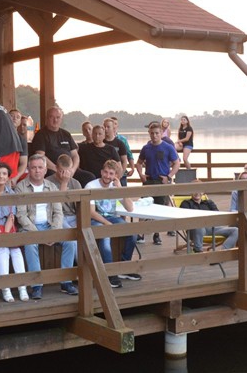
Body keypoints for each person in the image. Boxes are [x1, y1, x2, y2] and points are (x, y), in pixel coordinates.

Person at [15, 154, 78, 299]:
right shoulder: (21, 187)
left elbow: (58, 212)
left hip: (49, 225)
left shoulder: (52, 187)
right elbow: (21, 216)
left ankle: (66, 282)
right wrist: (39, 235)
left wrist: (54, 231)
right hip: (30, 227)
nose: (37, 171)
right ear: (29, 170)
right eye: (34, 168)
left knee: (70, 242)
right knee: (30, 245)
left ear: (45, 170)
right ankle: (37, 285)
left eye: (40, 167)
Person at [0, 162, 29, 303]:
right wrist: (1, 235)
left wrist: (6, 234)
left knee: (16, 251)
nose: (1, 176)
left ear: (8, 177)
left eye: (4, 174)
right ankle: (5, 289)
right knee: (3, 249)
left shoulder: (11, 193)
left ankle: (22, 288)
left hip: (8, 229)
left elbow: (11, 216)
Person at [85, 159, 136, 287]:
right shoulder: (91, 186)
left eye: (111, 174)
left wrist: (120, 189)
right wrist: (107, 224)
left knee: (133, 232)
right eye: (106, 172)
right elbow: (91, 213)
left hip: (111, 218)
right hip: (94, 219)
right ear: (101, 172)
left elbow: (130, 208)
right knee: (105, 234)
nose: (107, 176)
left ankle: (124, 268)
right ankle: (110, 274)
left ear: (115, 176)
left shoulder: (115, 186)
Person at [135, 121, 179, 246]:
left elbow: (177, 163)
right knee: (143, 207)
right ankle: (141, 234)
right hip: (149, 181)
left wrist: (169, 177)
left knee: (159, 209)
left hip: (161, 181)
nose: (154, 136)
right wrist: (141, 175)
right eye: (152, 133)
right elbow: (138, 163)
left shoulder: (168, 147)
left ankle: (157, 235)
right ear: (149, 133)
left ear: (161, 133)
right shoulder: (146, 148)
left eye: (157, 133)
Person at [30, 105, 95, 186]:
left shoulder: (66, 134)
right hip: (53, 170)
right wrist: (57, 169)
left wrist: (73, 169)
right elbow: (40, 156)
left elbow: (75, 155)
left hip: (70, 170)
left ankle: (82, 199)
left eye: (58, 117)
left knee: (90, 177)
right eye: (52, 117)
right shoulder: (41, 135)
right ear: (47, 118)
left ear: (61, 119)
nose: (55, 120)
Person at [179, 186, 238, 253]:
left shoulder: (208, 203)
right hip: (195, 230)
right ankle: (198, 251)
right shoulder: (186, 203)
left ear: (203, 192)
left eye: (199, 191)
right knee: (199, 227)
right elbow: (186, 219)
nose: (197, 193)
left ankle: (222, 252)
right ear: (190, 192)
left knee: (235, 230)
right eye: (194, 190)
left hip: (211, 228)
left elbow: (217, 215)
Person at [7, 108, 30, 185]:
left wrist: (15, 178)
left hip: (15, 173)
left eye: (18, 117)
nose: (14, 118)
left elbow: (23, 163)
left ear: (20, 121)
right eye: (11, 116)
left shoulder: (22, 139)